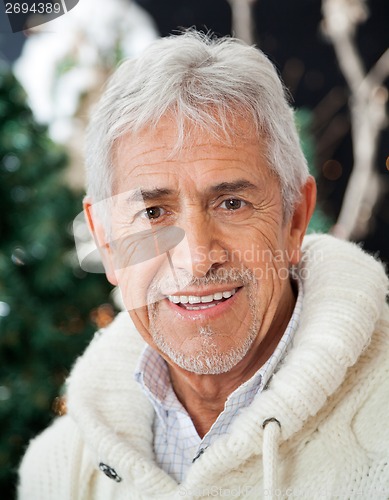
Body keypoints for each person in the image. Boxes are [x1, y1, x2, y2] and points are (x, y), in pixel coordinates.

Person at [18, 31, 389, 499]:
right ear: (106, 241)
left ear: (295, 219)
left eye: (231, 203)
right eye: (153, 213)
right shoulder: (57, 470)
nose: (196, 259)